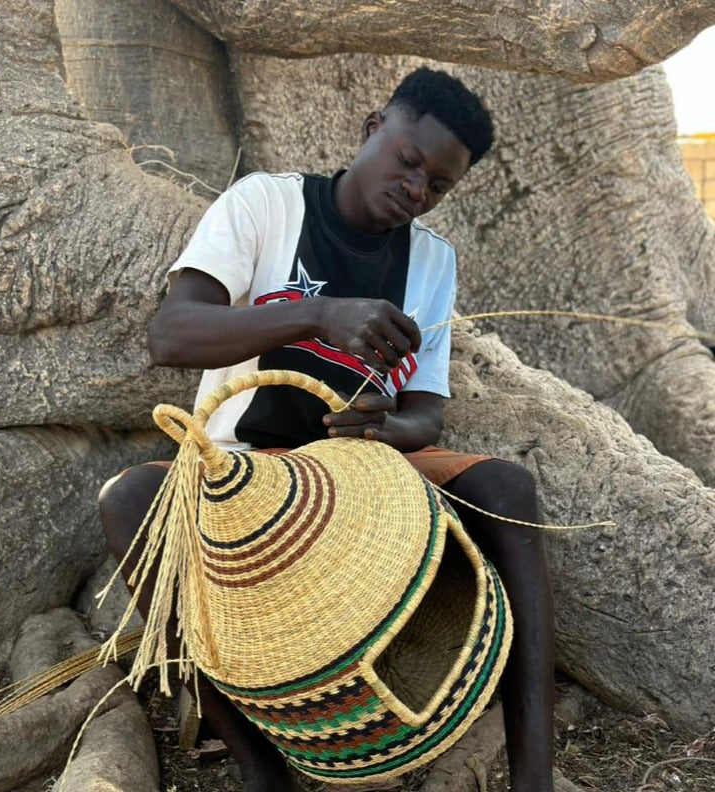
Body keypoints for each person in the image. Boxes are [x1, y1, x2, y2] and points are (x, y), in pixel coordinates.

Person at [100, 67, 556, 792]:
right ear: (373, 127)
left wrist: (385, 429)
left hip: (364, 473)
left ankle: (535, 770)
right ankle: (259, 766)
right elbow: (171, 334)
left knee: (508, 486)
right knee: (127, 502)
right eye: (410, 160)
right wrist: (318, 314)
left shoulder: (431, 260)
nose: (417, 188)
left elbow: (427, 414)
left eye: (437, 185)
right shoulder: (265, 204)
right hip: (243, 465)